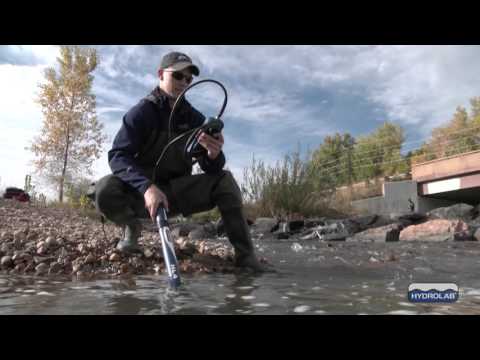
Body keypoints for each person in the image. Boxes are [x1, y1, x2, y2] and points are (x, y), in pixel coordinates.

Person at [93, 51, 268, 273]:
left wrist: (214, 154)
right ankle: (131, 227)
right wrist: (147, 187)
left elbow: (210, 168)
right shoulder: (141, 112)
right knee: (104, 190)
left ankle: (246, 257)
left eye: (188, 79)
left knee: (225, 181)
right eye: (177, 76)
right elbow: (118, 155)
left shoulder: (195, 119)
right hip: (140, 196)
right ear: (160, 74)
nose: (183, 83)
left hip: (176, 195)